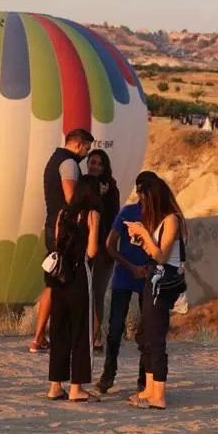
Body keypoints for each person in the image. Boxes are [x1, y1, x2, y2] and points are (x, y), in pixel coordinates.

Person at [124, 175, 186, 410]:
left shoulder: (171, 220)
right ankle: (149, 390)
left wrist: (144, 233)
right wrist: (140, 239)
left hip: (165, 281)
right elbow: (155, 252)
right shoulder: (161, 221)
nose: (142, 204)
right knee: (146, 334)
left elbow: (161, 255)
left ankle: (158, 394)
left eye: (144, 199)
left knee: (156, 337)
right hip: (155, 279)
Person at [30, 129, 94, 353]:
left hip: (52, 226)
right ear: (78, 145)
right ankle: (44, 336)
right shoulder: (69, 163)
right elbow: (70, 197)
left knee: (53, 280)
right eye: (86, 149)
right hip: (63, 230)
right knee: (60, 281)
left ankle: (39, 338)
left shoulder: (54, 159)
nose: (86, 154)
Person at [94, 170, 156, 397]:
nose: (145, 196)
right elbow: (110, 245)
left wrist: (150, 267)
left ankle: (143, 377)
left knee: (147, 329)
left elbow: (166, 248)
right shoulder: (128, 212)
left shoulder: (160, 217)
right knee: (115, 328)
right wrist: (130, 266)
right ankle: (108, 374)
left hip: (149, 277)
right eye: (142, 192)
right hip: (124, 276)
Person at [46, 178, 101, 402]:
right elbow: (92, 251)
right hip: (79, 275)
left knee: (59, 330)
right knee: (81, 331)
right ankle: (76, 387)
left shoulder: (62, 214)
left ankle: (55, 386)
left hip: (59, 278)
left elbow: (56, 243)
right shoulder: (91, 215)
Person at [84, 149, 121, 352]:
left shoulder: (111, 189)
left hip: (104, 251)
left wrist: (101, 196)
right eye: (92, 162)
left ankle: (96, 340)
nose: (95, 166)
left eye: (99, 163)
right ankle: (86, 336)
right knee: (84, 294)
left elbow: (111, 218)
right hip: (84, 248)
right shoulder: (83, 185)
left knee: (97, 293)